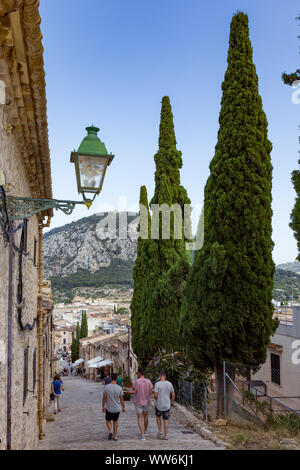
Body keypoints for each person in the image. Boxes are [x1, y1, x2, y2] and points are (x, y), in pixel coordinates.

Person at [127, 368, 153, 440]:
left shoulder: (137, 382)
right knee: (146, 416)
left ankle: (142, 435)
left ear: (139, 373)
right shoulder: (149, 381)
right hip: (146, 401)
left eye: (137, 373)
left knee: (139, 418)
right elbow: (151, 392)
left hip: (138, 402)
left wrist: (126, 392)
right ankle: (146, 431)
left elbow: (134, 392)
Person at [102, 372, 125, 441]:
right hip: (117, 408)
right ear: (117, 379)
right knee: (115, 421)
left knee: (107, 420)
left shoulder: (106, 387)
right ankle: (115, 436)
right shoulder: (119, 388)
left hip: (109, 407)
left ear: (111, 378)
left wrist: (103, 406)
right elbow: (121, 399)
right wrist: (123, 407)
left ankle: (110, 431)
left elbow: (104, 398)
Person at [153, 371, 175, 440]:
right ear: (165, 376)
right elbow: (173, 394)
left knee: (158, 417)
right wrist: (172, 402)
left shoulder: (157, 384)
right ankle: (165, 436)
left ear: (160, 376)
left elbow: (155, 395)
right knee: (166, 420)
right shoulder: (169, 384)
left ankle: (160, 431)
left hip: (159, 404)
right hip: (167, 405)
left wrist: (157, 399)